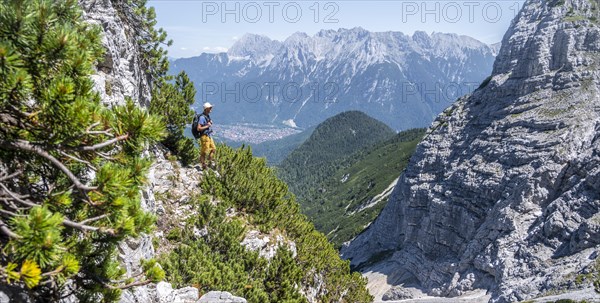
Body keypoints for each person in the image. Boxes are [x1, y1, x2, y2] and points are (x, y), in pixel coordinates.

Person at [197, 102, 216, 169]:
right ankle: (203, 165)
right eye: (210, 107)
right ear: (206, 109)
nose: (211, 108)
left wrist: (209, 123)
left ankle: (208, 162)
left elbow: (208, 124)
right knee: (204, 152)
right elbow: (199, 128)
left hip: (208, 135)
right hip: (204, 136)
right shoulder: (202, 117)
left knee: (213, 149)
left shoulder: (207, 116)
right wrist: (208, 125)